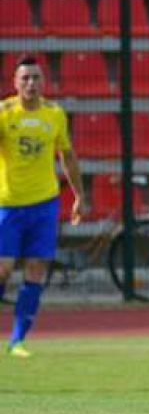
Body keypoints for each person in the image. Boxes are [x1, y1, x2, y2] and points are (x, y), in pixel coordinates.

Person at [0, 56, 84, 358]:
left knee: (36, 268)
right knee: (4, 269)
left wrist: (79, 196)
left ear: (44, 82)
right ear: (15, 82)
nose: (30, 84)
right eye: (25, 78)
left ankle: (17, 340)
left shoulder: (55, 114)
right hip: (8, 204)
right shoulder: (4, 113)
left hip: (44, 204)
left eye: (36, 78)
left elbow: (68, 157)